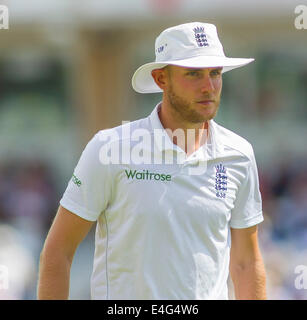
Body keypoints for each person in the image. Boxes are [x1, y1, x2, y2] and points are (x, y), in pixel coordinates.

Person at [37, 22, 266, 300]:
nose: (209, 86)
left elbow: (246, 263)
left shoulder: (239, 154)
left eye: (215, 73)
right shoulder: (110, 148)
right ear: (161, 79)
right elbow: (58, 253)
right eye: (193, 74)